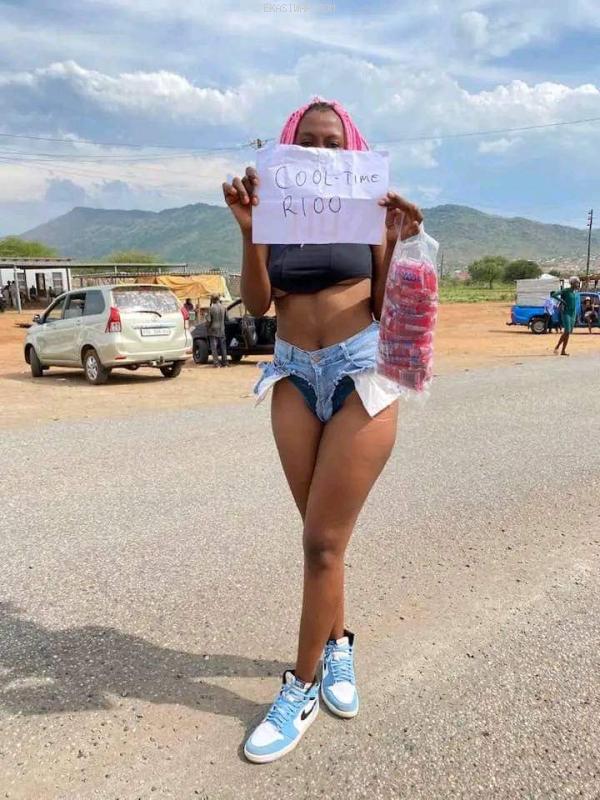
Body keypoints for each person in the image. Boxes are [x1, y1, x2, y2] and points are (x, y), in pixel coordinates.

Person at [222, 97, 423, 764]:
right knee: (321, 540)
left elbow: (388, 306)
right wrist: (249, 229)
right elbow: (258, 303)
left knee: (321, 543)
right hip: (291, 374)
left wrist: (397, 242)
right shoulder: (276, 209)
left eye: (332, 141)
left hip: (361, 371)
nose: (319, 151)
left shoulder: (368, 207)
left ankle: (300, 687)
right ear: (289, 143)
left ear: (350, 147)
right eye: (307, 139)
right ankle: (339, 646)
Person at [552, 276, 580, 356]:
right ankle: (557, 347)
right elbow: (554, 295)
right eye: (577, 283)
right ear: (572, 283)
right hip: (566, 313)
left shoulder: (576, 293)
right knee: (567, 331)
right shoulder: (566, 290)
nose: (578, 284)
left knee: (568, 333)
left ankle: (563, 351)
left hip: (573, 314)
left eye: (578, 283)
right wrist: (562, 301)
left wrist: (576, 314)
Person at [206, 294, 228, 367]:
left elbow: (209, 320)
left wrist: (207, 327)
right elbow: (227, 319)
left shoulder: (211, 308)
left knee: (214, 348)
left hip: (213, 330)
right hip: (222, 329)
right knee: (223, 347)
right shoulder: (224, 307)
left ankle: (216, 363)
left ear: (212, 300)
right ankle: (225, 362)